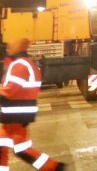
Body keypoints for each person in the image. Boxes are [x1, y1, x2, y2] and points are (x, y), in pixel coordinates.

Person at [1, 37, 65, 170]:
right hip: (15, 116)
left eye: (9, 46)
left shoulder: (20, 65)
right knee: (5, 147)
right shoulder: (25, 63)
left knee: (20, 150)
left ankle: (53, 167)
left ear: (16, 48)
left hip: (15, 116)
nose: (7, 49)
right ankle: (53, 167)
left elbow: (10, 91)